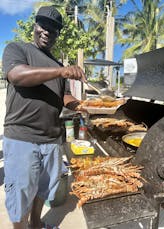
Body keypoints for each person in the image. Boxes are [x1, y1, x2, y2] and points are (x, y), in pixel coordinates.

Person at [2, 5, 86, 229]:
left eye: (54, 28)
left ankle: (37, 224)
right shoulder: (17, 49)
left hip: (51, 140)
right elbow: (17, 76)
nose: (47, 31)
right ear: (35, 26)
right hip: (22, 137)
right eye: (43, 25)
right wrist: (61, 71)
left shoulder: (58, 65)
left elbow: (64, 95)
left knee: (42, 190)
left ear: (58, 34)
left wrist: (81, 105)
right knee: (20, 195)